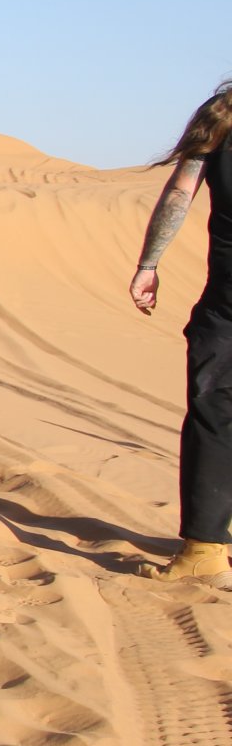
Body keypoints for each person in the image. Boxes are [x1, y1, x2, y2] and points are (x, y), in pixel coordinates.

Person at [130, 77, 232, 582]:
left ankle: (205, 551)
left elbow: (180, 192)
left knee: (215, 415)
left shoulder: (224, 114)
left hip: (228, 306)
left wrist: (149, 264)